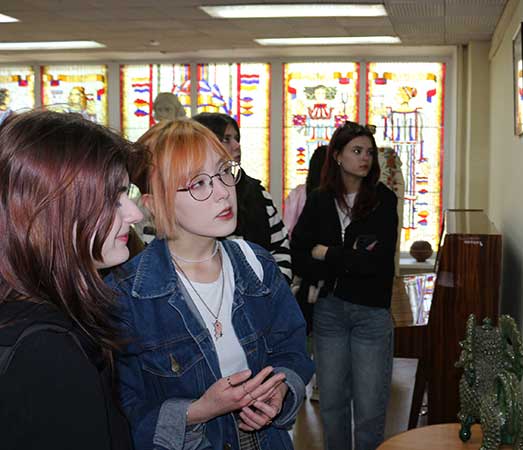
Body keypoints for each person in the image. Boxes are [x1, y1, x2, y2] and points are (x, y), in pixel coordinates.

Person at [108, 119, 313, 450]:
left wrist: (281, 388)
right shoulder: (126, 294)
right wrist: (198, 411)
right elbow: (125, 409)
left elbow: (292, 349)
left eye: (223, 172)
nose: (223, 192)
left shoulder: (256, 265)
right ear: (154, 203)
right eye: (198, 184)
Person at [0, 111, 143, 449]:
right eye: (113, 199)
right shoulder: (48, 350)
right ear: (55, 214)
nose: (135, 214)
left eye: (128, 194)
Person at [291, 121, 398, 450]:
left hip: (371, 314)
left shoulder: (383, 200)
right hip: (329, 311)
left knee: (369, 407)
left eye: (369, 152)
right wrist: (347, 258)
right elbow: (299, 255)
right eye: (357, 151)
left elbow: (376, 264)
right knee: (332, 403)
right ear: (337, 156)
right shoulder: (319, 200)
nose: (365, 158)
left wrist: (327, 253)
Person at [193, 112, 292, 282]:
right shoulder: (187, 195)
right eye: (226, 139)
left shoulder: (258, 193)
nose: (237, 145)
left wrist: (274, 289)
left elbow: (281, 249)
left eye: (237, 138)